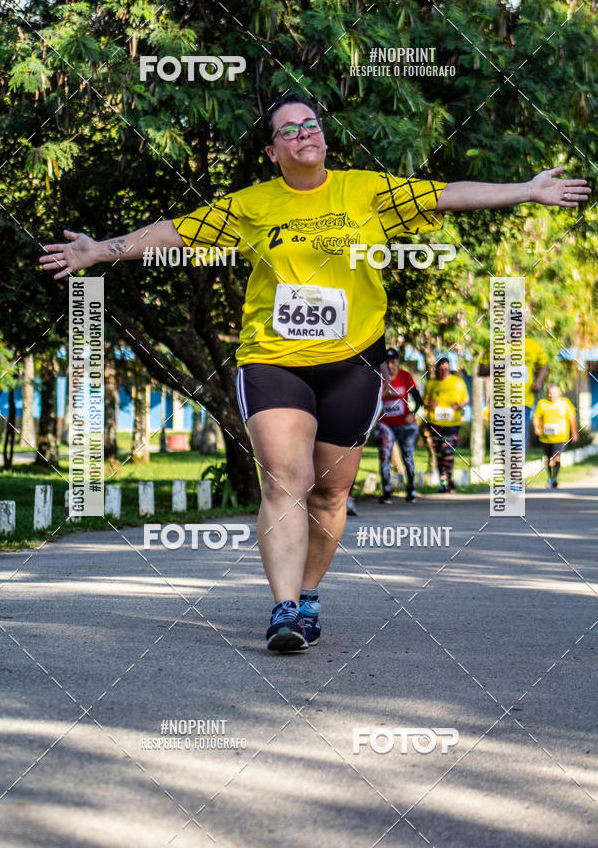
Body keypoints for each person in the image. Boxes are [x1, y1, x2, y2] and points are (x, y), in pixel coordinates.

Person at [40, 91, 590, 652]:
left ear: (324, 137)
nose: (304, 133)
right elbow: (175, 233)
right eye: (289, 130)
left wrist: (528, 190)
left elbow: (448, 195)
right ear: (273, 152)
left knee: (329, 495)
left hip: (354, 362)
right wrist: (101, 251)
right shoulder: (253, 204)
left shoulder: (367, 191)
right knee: (285, 479)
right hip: (274, 359)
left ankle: (307, 595)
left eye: (311, 125)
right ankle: (283, 611)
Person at [479, 334, 548, 446]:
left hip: (523, 401)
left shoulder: (533, 346)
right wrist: (502, 364)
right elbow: (482, 370)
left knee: (517, 438)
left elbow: (544, 366)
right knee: (504, 442)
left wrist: (538, 382)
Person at [375, 347, 423, 504]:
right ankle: (387, 491)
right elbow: (371, 401)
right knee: (385, 455)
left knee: (407, 456)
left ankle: (411, 487)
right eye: (387, 362)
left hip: (404, 424)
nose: (390, 366)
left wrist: (412, 414)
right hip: (385, 424)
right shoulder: (379, 378)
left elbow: (418, 399)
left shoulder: (405, 376)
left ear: (398, 362)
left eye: (393, 362)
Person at [423, 358, 469, 492]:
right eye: (441, 369)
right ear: (437, 370)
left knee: (447, 451)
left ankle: (447, 479)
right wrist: (429, 405)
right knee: (439, 453)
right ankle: (446, 481)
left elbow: (466, 399)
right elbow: (424, 402)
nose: (444, 372)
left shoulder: (458, 383)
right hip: (435, 423)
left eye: (446, 369)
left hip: (452, 424)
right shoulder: (431, 384)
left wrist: (459, 405)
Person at [533, 384, 578, 488]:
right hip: (546, 438)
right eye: (549, 393)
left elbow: (572, 418)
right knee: (548, 459)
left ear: (559, 394)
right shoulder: (542, 403)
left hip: (561, 437)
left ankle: (552, 479)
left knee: (555, 457)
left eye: (554, 393)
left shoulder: (565, 403)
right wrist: (536, 428)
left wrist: (574, 433)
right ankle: (552, 478)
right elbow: (536, 417)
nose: (551, 395)